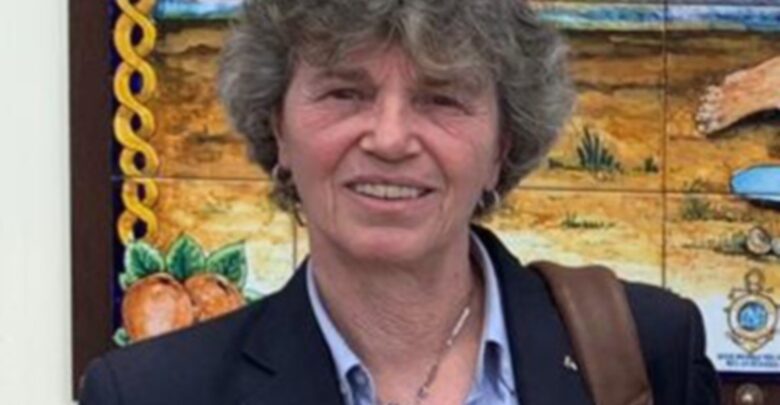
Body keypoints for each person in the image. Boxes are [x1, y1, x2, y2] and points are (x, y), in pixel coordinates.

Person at [80, 0, 721, 404]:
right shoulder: (150, 394)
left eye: (441, 97)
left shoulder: (647, 349)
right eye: (345, 93)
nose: (389, 139)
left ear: (503, 143)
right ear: (278, 127)